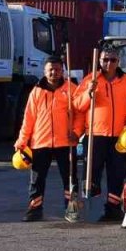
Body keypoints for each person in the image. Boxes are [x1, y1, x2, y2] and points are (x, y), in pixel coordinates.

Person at [73, 47, 126, 221]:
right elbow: (77, 106)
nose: (108, 63)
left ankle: (113, 207)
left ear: (118, 61)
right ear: (99, 61)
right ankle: (92, 207)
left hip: (120, 136)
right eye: (105, 60)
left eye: (112, 60)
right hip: (96, 135)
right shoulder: (91, 80)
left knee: (117, 173)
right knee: (92, 173)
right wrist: (89, 93)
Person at [15, 56, 84, 221]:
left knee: (70, 178)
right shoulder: (37, 91)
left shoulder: (72, 89)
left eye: (58, 69)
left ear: (62, 71)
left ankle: (71, 208)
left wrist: (76, 131)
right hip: (40, 142)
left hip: (66, 142)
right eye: (50, 69)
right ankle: (35, 209)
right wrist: (22, 141)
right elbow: (29, 118)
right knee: (37, 179)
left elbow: (80, 114)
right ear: (44, 71)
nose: (54, 72)